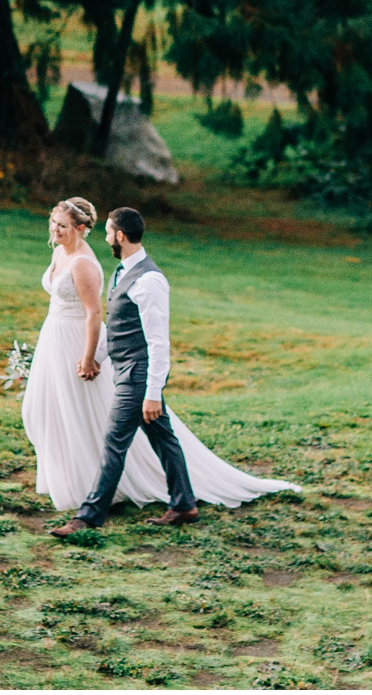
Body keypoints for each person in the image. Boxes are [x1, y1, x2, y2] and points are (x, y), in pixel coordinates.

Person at [21, 199, 297, 530]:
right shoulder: (123, 270)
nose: (105, 238)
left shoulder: (149, 280)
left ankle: (88, 517)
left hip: (137, 377)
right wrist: (96, 357)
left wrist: (152, 393)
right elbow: (122, 329)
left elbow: (158, 343)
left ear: (120, 236)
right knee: (164, 439)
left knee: (114, 445)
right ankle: (184, 504)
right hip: (124, 369)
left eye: (108, 233)